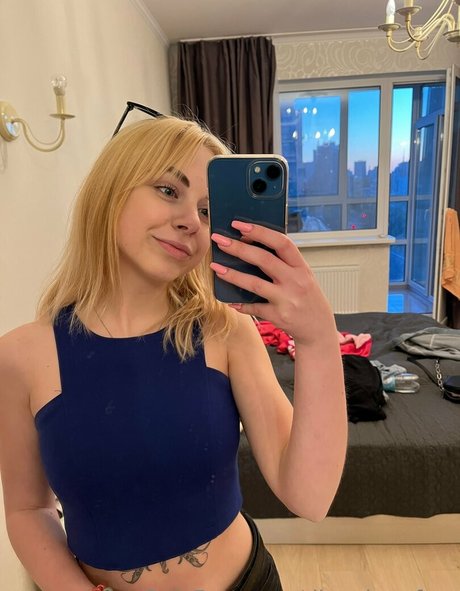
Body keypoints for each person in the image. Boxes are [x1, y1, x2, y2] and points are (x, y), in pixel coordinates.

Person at [0, 110, 348, 591]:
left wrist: (318, 340)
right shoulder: (21, 357)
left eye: (207, 211)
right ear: (111, 190)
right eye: (168, 190)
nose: (190, 222)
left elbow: (310, 497)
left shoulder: (227, 332)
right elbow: (26, 509)